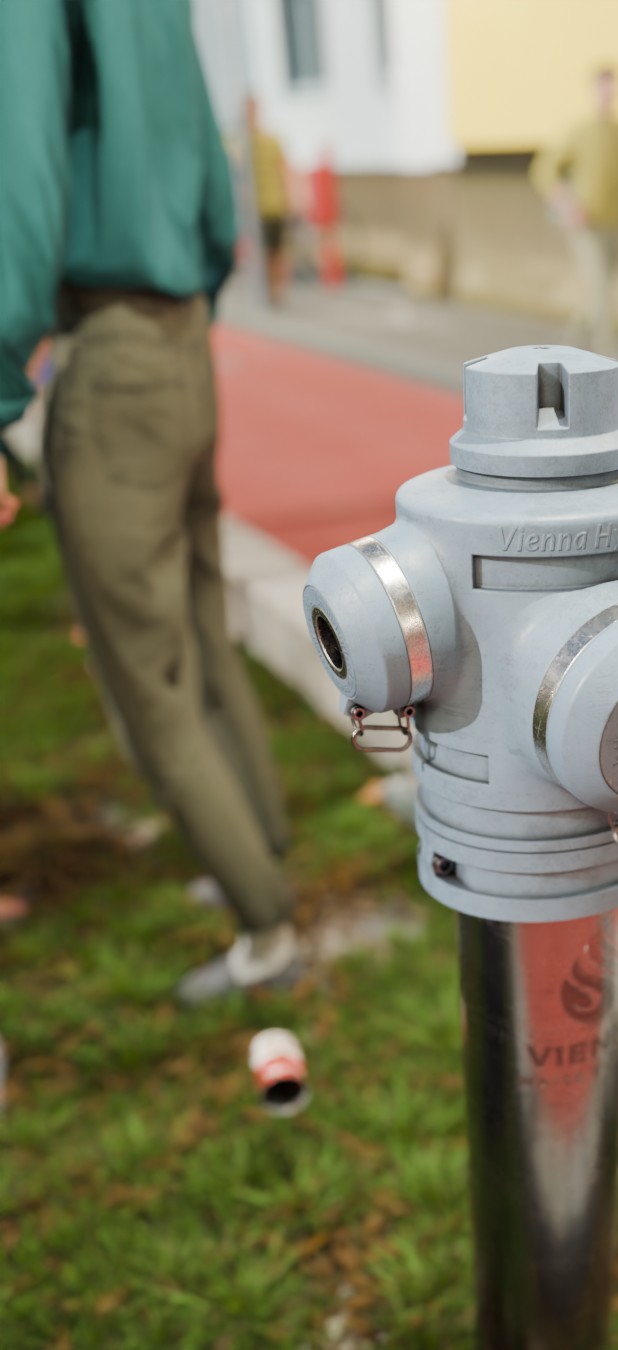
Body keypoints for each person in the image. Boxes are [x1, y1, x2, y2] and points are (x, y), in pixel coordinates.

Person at [0, 0, 299, 1002]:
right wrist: (199, 286)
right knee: (202, 632)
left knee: (148, 675)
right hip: (182, 335)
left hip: (112, 346)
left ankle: (267, 928)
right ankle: (260, 852)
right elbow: (205, 153)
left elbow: (21, 175)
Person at [530, 68, 618, 354]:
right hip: (586, 225)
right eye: (603, 88)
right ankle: (607, 351)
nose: (608, 94)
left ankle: (571, 343)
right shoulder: (579, 131)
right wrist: (567, 205)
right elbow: (543, 171)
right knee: (600, 286)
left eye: (612, 88)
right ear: (594, 91)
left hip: (617, 223)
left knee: (599, 288)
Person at [248, 97, 292, 305]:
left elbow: (283, 170)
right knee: (261, 253)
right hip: (254, 211)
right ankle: (267, 289)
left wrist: (291, 198)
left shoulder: (270, 141)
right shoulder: (243, 144)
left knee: (276, 252)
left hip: (273, 206)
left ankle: (277, 289)